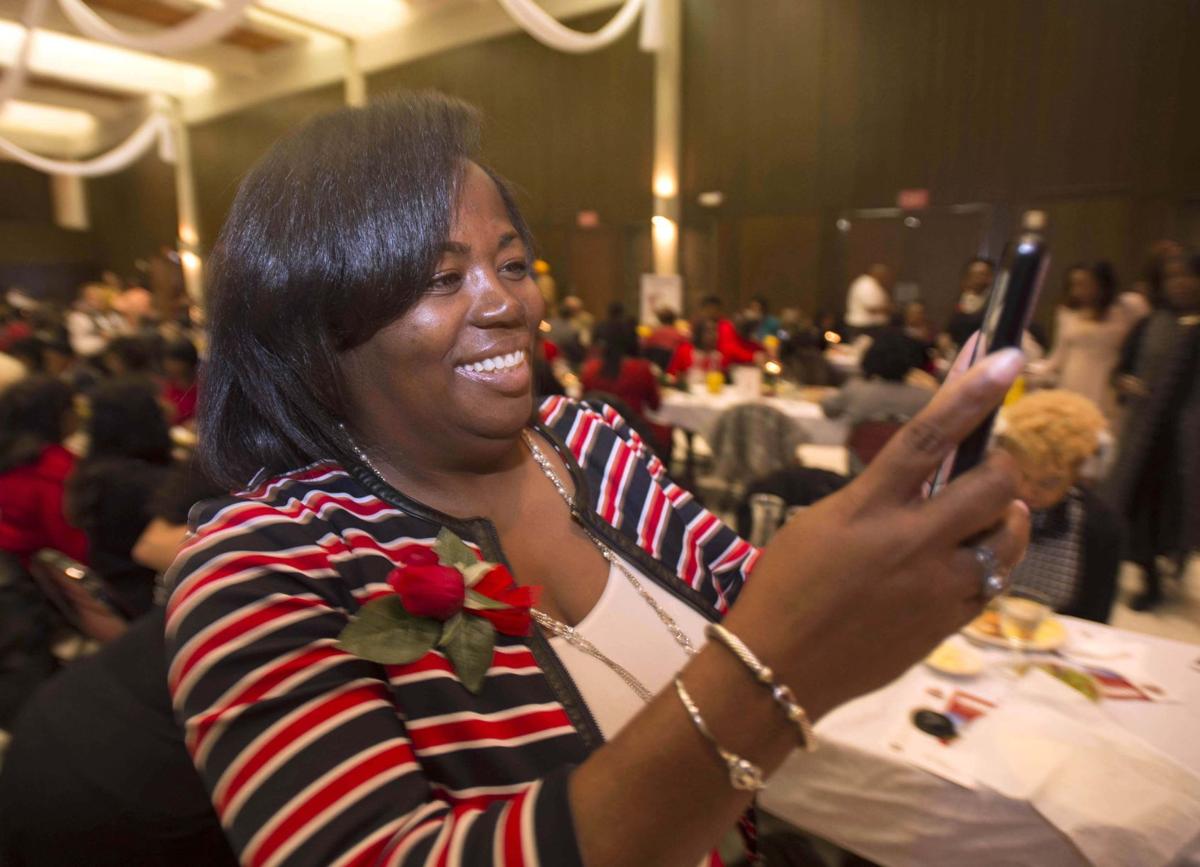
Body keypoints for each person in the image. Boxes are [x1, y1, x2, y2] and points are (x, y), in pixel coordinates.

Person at [166, 93, 1027, 867]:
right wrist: (772, 672)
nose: (508, 303)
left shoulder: (590, 441)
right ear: (315, 315)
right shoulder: (264, 569)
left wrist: (885, 546)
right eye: (440, 276)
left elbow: (744, 593)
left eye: (510, 264)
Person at [1107, 251, 1200, 611]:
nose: (1180, 282)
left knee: (1177, 511)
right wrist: (1125, 383)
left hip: (1187, 444)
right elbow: (1122, 368)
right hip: (1145, 436)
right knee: (1136, 506)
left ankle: (1168, 568)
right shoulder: (1151, 323)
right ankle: (1146, 576)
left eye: (1188, 275)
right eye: (1173, 276)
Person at [995, 390, 1120, 622]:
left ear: (1077, 473)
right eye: (1021, 474)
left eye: (1048, 482)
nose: (1029, 490)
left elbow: (1095, 619)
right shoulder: (981, 502)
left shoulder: (1098, 525)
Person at [66, 377, 174, 616]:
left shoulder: (93, 470)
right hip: (148, 601)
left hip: (116, 586)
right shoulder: (143, 483)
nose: (170, 410)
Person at [0, 376, 88, 567]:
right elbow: (72, 545)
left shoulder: (12, 454)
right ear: (61, 415)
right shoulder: (54, 469)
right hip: (27, 581)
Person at [1037, 262, 1134, 421]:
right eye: (1075, 285)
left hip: (1105, 384)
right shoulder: (1067, 314)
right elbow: (1059, 355)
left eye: (1085, 284)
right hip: (1073, 379)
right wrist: (1039, 371)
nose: (1078, 290)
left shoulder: (1123, 313)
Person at [820, 330, 935, 426]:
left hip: (859, 452)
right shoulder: (927, 398)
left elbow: (829, 409)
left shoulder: (856, 388)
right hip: (906, 453)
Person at [943, 257, 995, 351]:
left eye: (982, 274)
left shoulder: (994, 303)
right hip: (957, 354)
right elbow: (947, 331)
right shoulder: (957, 301)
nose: (977, 279)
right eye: (974, 274)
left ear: (990, 278)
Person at [694, 294, 761, 367]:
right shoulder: (696, 325)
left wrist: (757, 354)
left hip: (722, 364)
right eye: (709, 309)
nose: (712, 312)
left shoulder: (725, 326)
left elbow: (735, 346)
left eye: (715, 309)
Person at [65, 282, 125, 359]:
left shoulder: (108, 315)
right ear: (83, 299)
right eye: (92, 298)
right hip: (92, 361)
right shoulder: (78, 317)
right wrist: (106, 340)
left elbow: (123, 332)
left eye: (100, 298)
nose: (98, 301)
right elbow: (80, 347)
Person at [843, 263, 894, 336]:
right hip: (863, 326)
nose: (886, 278)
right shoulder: (866, 284)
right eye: (885, 275)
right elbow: (871, 307)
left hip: (869, 326)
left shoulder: (873, 284)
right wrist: (889, 308)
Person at [161, 337, 200, 426]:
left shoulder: (203, 387)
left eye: (174, 361)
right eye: (167, 360)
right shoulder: (165, 385)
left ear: (189, 362)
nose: (168, 365)